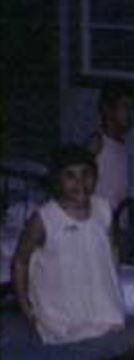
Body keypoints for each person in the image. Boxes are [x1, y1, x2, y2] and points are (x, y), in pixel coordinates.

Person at [11, 145, 125, 344]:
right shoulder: (44, 219)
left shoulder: (103, 209)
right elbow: (20, 262)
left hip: (101, 308)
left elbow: (111, 251)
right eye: (70, 176)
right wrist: (26, 309)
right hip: (61, 315)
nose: (80, 182)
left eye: (86, 174)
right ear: (57, 181)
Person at [87, 83, 134, 213]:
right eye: (125, 107)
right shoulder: (98, 142)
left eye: (133, 108)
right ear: (108, 109)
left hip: (117, 218)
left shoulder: (124, 147)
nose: (130, 114)